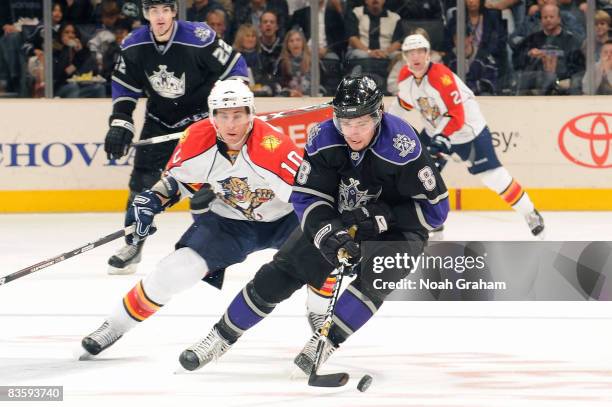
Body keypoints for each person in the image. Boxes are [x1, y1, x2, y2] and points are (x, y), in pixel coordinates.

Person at [174, 74, 449, 373]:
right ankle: (219, 337)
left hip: (397, 228)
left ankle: (325, 342)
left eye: (361, 123)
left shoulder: (403, 146)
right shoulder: (323, 138)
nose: (352, 132)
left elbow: (436, 211)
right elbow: (306, 197)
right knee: (283, 270)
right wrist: (325, 231)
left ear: (379, 114)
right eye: (345, 122)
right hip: (342, 217)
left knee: (380, 275)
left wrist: (384, 216)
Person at [81, 79, 312, 358]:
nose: (231, 125)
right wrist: (152, 200)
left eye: (238, 115)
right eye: (223, 116)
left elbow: (309, 197)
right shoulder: (196, 137)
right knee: (175, 269)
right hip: (232, 220)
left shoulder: (274, 146)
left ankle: (322, 330)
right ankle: (115, 325)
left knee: (320, 264)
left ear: (251, 113)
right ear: (212, 116)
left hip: (288, 220)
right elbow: (176, 183)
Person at [103, 0, 248, 275]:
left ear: (173, 12)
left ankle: (208, 248)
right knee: (142, 184)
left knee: (203, 188)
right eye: (154, 11)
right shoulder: (134, 44)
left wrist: (232, 104)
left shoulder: (199, 38)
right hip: (159, 120)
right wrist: (121, 122)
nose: (160, 17)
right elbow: (124, 85)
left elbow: (235, 66)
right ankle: (133, 244)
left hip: (200, 123)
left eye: (165, 10)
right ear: (146, 14)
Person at [391, 34, 545, 237]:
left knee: (493, 178)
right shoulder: (405, 78)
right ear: (405, 56)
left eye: (420, 51)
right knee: (418, 175)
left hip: (467, 132)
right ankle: (433, 221)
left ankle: (529, 212)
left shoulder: (441, 77)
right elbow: (403, 105)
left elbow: (457, 115)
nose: (416, 57)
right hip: (434, 130)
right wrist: (384, 125)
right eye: (411, 53)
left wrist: (442, 137)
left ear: (428, 54)